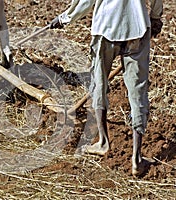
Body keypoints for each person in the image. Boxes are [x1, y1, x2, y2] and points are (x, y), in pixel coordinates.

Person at [50, 0, 163, 176]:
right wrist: (155, 17)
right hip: (137, 26)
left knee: (99, 84)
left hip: (105, 28)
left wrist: (65, 18)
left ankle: (103, 142)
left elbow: (86, 2)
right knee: (138, 90)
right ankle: (136, 158)